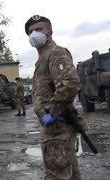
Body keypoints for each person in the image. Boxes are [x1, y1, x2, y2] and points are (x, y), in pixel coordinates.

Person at [25, 15, 82, 179]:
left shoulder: (56, 53)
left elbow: (70, 84)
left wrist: (54, 112)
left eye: (39, 29)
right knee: (69, 174)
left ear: (49, 31)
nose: (34, 33)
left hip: (57, 128)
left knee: (56, 174)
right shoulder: (43, 58)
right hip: (55, 129)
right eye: (30, 31)